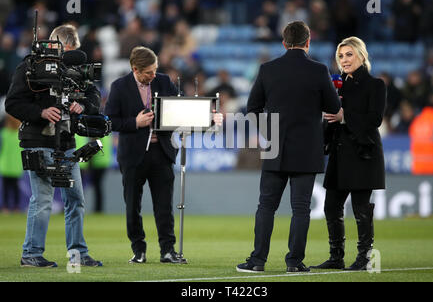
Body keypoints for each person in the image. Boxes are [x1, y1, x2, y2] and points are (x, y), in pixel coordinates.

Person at [236, 21, 341, 273]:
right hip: (307, 150)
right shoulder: (319, 71)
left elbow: (252, 109)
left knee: (266, 206)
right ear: (308, 42)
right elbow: (333, 108)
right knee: (301, 209)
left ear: (284, 43)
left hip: (275, 148)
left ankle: (257, 261)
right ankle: (294, 263)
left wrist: (269, 133)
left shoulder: (268, 69)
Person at [105, 46, 222, 264]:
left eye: (155, 70)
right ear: (135, 69)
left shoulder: (164, 81)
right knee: (132, 206)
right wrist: (134, 122)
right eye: (148, 72)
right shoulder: (119, 87)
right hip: (132, 156)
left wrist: (208, 117)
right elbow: (109, 121)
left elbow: (183, 110)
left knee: (164, 206)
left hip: (162, 153)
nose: (153, 75)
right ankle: (138, 250)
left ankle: (167, 251)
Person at [5, 24, 103, 268]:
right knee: (43, 199)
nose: (69, 59)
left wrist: (84, 106)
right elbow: (12, 103)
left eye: (73, 53)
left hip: (67, 142)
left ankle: (77, 253)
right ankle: (31, 253)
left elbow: (93, 93)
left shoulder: (77, 69)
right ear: (55, 45)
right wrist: (41, 111)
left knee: (76, 199)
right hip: (39, 140)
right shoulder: (30, 67)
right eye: (67, 52)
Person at [312, 36, 386, 271]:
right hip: (340, 153)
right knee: (331, 207)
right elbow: (332, 120)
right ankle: (336, 257)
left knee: (361, 209)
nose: (344, 60)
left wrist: (345, 116)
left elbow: (375, 119)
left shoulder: (376, 85)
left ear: (362, 56)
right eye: (341, 56)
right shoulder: (337, 86)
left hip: (363, 153)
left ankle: (364, 258)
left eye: (349, 54)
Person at [0, 114, 23, 213]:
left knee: (6, 188)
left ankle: (5, 207)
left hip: (5, 165)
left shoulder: (3, 133)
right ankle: (16, 207)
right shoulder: (20, 134)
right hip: (17, 166)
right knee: (15, 188)